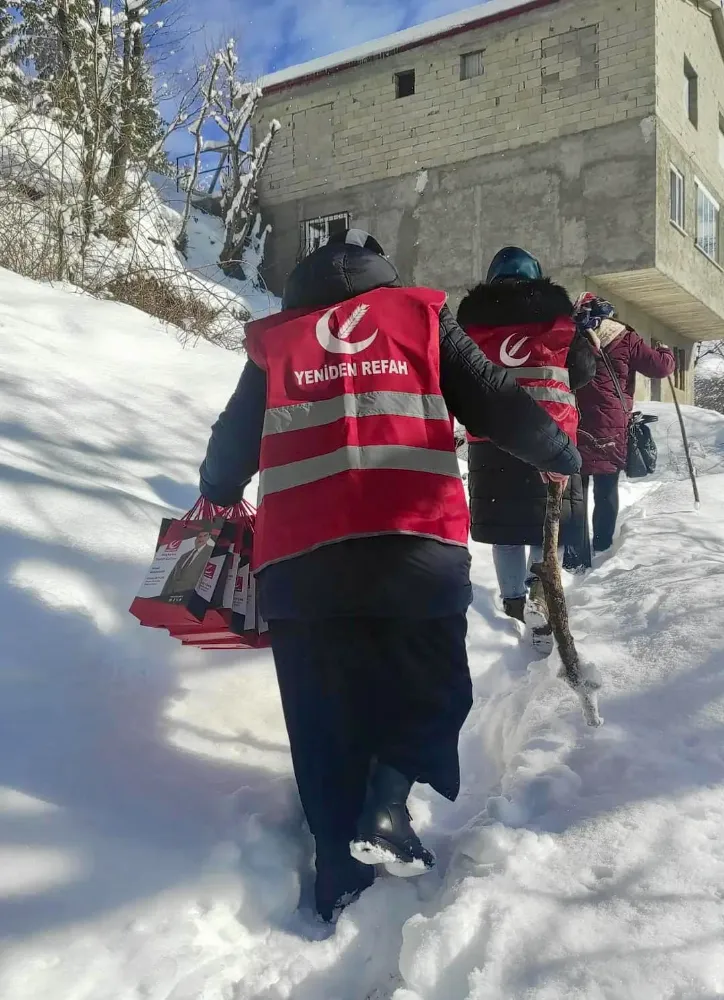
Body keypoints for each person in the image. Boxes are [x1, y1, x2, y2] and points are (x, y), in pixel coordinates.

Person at [198, 229, 580, 922]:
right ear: (384, 272)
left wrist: (218, 489)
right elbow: (494, 397)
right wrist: (559, 451)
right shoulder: (420, 316)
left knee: (322, 725)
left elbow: (228, 453)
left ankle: (338, 884)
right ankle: (387, 804)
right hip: (414, 551)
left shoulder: (278, 341)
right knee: (432, 692)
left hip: (299, 570)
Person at [457, 247, 597, 651]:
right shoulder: (559, 320)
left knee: (506, 529)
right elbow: (583, 372)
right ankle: (541, 590)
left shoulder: (470, 324)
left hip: (491, 439)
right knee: (543, 520)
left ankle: (514, 603)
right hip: (548, 437)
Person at [565, 293, 675, 569]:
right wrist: (666, 351)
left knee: (576, 490)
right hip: (610, 425)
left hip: (573, 419)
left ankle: (575, 554)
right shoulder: (624, 337)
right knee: (606, 487)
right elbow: (660, 367)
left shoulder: (569, 336)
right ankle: (602, 547)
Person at [161, 527, 212, 598]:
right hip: (170, 595)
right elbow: (171, 577)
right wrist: (162, 595)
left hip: (189, 596)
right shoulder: (184, 555)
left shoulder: (211, 552)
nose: (201, 539)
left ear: (209, 537)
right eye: (199, 536)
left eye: (205, 536)